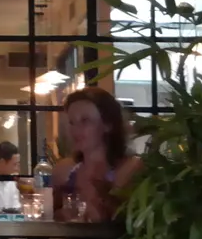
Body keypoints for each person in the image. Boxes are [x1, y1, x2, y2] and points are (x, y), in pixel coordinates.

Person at [52, 88, 142, 222]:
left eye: (85, 120)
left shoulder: (131, 168)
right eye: (72, 122)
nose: (76, 129)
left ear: (108, 124)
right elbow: (47, 217)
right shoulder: (63, 170)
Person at [0, 141, 25, 214]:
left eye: (18, 164)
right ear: (2, 162)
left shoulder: (10, 178)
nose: (17, 169)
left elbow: (16, 207)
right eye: (14, 164)